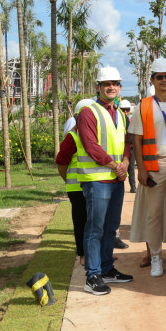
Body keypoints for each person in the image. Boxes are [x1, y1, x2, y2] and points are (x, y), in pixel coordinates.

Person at [130, 57, 166, 277]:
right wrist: (142, 170)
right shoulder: (143, 106)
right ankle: (156, 256)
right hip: (154, 167)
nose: (164, 81)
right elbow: (136, 140)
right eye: (160, 77)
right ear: (152, 79)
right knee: (153, 214)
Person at [77, 67, 133, 295]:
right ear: (98, 87)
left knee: (111, 228)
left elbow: (126, 143)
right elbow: (91, 146)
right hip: (97, 180)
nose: (111, 87)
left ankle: (107, 269)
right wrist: (115, 166)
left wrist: (126, 164)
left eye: (115, 83)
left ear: (120, 87)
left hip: (116, 180)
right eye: (107, 83)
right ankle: (92, 275)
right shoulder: (88, 112)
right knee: (95, 229)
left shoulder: (120, 114)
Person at [56, 99, 97, 267]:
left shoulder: (96, 135)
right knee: (81, 221)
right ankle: (82, 254)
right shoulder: (72, 137)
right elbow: (61, 162)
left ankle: (98, 253)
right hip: (77, 188)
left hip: (94, 184)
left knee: (96, 221)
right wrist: (68, 181)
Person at [119, 100, 136, 193]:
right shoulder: (116, 120)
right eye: (123, 109)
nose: (125, 112)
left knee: (131, 167)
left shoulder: (131, 120)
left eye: (127, 109)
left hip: (130, 147)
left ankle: (133, 187)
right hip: (120, 148)